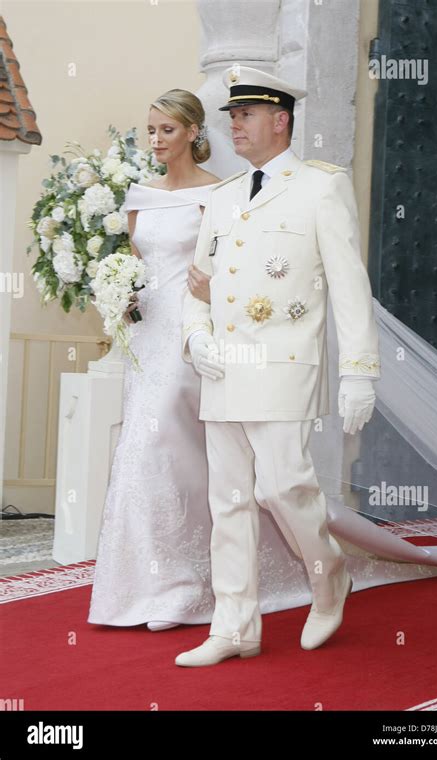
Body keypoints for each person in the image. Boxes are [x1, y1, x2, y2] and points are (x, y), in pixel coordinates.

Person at [87, 89, 317, 631]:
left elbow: (238, 269)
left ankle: (184, 588)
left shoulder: (221, 194)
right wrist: (120, 296)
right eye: (151, 130)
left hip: (196, 337)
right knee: (151, 452)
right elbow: (141, 264)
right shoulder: (139, 197)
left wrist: (213, 301)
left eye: (167, 130)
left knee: (164, 444)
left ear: (193, 132)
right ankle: (151, 582)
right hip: (147, 339)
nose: (156, 140)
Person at [176, 65, 381, 667]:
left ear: (280, 120)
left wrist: (361, 370)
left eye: (244, 115)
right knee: (231, 501)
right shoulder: (221, 199)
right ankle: (235, 625)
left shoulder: (321, 188)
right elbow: (198, 285)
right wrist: (196, 338)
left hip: (285, 362)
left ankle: (329, 575)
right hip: (224, 369)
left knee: (283, 486)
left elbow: (349, 285)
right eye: (231, 116)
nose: (234, 124)